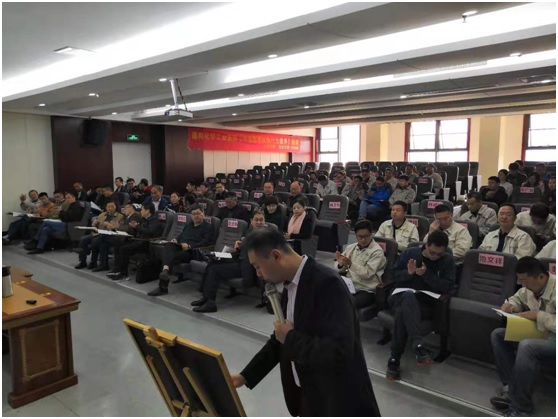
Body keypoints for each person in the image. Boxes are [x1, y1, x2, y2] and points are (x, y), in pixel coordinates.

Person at [230, 228, 381, 417]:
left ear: (276, 256)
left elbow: (339, 351)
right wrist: (245, 376)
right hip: (306, 394)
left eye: (257, 266)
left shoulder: (328, 284)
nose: (258, 274)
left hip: (335, 400)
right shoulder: (290, 285)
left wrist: (290, 337)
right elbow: (280, 340)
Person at [386, 230, 456, 380]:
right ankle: (418, 344)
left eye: (439, 254)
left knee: (402, 313)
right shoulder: (410, 253)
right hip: (399, 296)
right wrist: (408, 273)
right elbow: (393, 275)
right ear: (426, 245)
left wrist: (426, 275)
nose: (435, 256)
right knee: (407, 296)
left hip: (425, 303)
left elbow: (447, 287)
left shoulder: (447, 260)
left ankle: (394, 360)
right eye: (432, 252)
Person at [489, 257, 555, 417]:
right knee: (498, 335)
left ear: (541, 277)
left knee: (527, 346)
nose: (522, 284)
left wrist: (539, 315)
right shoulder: (531, 288)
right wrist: (510, 305)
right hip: (539, 334)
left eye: (524, 280)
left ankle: (521, 407)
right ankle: (510, 389)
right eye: (520, 280)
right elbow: (517, 298)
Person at [191, 210, 271, 313]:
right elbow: (246, 250)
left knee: (214, 269)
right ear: (251, 221)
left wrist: (244, 245)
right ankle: (206, 297)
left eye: (261, 220)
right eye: (256, 220)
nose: (259, 222)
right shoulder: (251, 232)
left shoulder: (266, 235)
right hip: (239, 261)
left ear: (265, 221)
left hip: (247, 268)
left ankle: (210, 303)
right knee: (212, 263)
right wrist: (240, 246)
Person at [147, 204, 213, 296]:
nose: (196, 216)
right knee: (169, 245)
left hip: (191, 251)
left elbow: (206, 242)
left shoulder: (207, 227)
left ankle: (163, 284)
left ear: (203, 214)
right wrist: (176, 240)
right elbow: (182, 235)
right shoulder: (189, 225)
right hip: (180, 246)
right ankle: (165, 271)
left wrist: (190, 246)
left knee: (169, 256)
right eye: (194, 214)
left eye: (198, 213)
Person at [336, 220, 386, 308]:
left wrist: (351, 264)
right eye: (360, 236)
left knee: (346, 304)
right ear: (355, 235)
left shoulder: (377, 252)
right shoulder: (351, 247)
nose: (363, 240)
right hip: (350, 284)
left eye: (366, 236)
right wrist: (341, 265)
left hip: (366, 289)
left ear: (371, 234)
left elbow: (368, 274)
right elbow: (339, 268)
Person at [107, 203, 164, 281]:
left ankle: (124, 274)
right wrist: (135, 226)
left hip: (146, 243)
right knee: (119, 245)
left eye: (142, 210)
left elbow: (149, 231)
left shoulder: (154, 220)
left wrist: (137, 226)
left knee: (124, 249)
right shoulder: (144, 219)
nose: (141, 211)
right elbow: (140, 230)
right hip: (138, 240)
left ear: (147, 211)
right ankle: (118, 270)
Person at [94, 203, 143, 272]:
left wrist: (117, 226)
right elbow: (122, 226)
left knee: (103, 237)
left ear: (131, 208)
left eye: (125, 208)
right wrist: (113, 227)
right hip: (121, 236)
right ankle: (104, 265)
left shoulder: (135, 216)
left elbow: (130, 229)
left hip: (128, 239)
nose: (124, 210)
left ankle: (94, 244)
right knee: (103, 244)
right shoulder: (127, 216)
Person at [75, 201, 123, 269]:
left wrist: (111, 226)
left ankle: (93, 261)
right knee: (83, 239)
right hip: (97, 233)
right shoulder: (102, 214)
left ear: (116, 207)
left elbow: (119, 228)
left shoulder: (120, 216)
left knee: (96, 241)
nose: (110, 208)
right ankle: (82, 261)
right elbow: (97, 224)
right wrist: (95, 224)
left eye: (112, 206)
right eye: (108, 207)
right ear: (106, 207)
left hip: (109, 235)